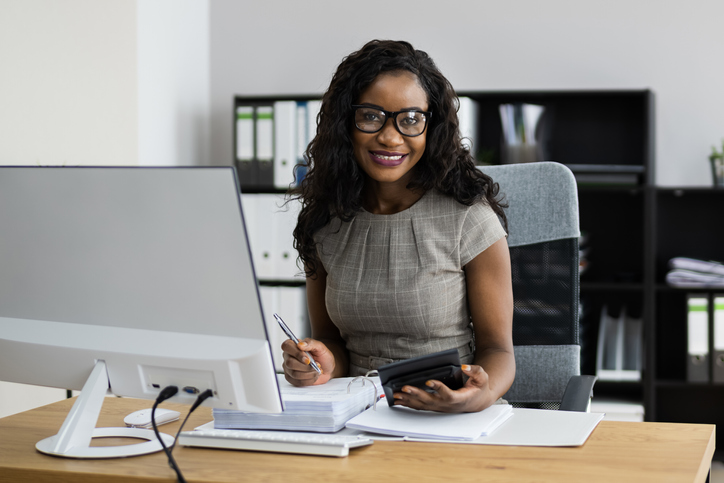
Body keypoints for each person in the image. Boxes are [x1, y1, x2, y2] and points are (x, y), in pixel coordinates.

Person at [282, 39, 514, 413]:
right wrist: (321, 363)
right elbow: (331, 341)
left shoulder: (469, 218)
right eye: (371, 116)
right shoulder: (325, 220)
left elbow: (498, 350)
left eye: (410, 120)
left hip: (444, 412)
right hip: (352, 414)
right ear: (346, 123)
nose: (390, 137)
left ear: (431, 127)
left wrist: (478, 396)